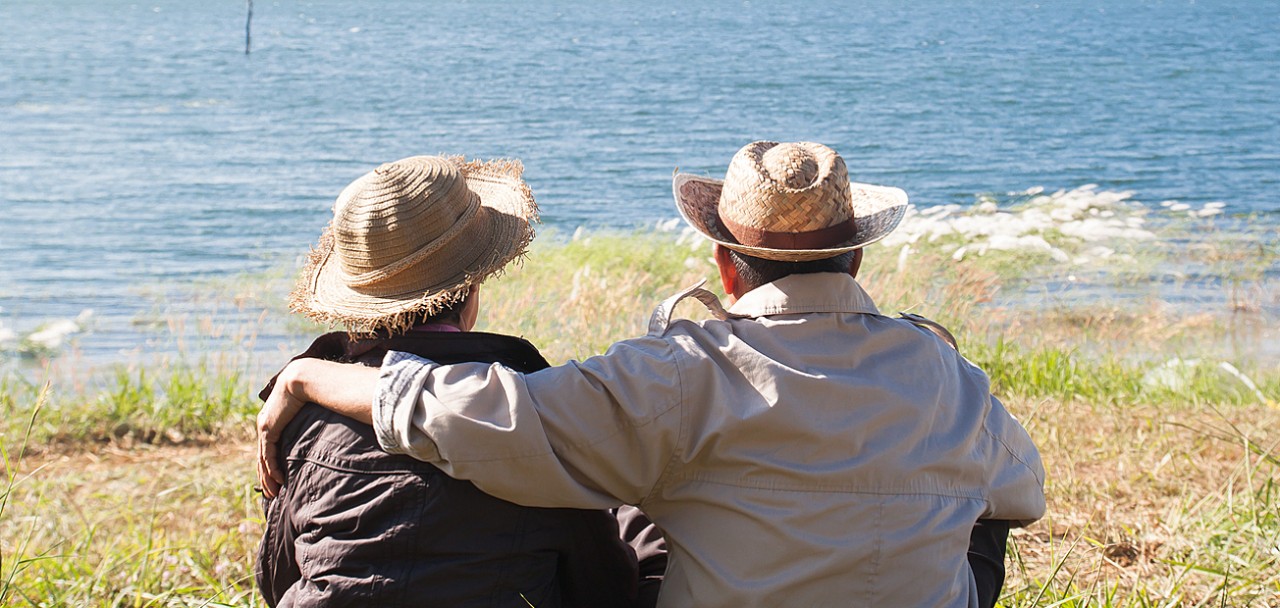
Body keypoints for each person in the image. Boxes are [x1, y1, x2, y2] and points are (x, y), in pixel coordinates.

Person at [258, 142, 1047, 607]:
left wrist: (309, 379)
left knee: (637, 483)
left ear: (724, 264)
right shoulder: (952, 377)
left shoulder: (678, 371)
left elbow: (487, 419)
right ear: (858, 253)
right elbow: (1022, 494)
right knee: (981, 521)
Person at [255, 155, 639, 607]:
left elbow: (277, 578)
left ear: (361, 302)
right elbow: (602, 586)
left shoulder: (302, 418)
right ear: (472, 285)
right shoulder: (534, 407)